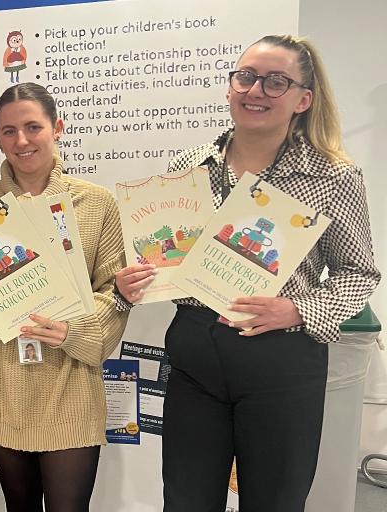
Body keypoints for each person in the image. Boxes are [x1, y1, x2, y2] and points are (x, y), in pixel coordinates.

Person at [115, 35, 380, 512]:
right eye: (246, 77)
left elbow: (358, 272)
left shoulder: (332, 175)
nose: (255, 90)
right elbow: (169, 253)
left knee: (275, 501)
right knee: (185, 499)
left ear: (303, 99)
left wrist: (299, 309)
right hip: (195, 354)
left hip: (282, 358)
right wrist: (140, 277)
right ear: (230, 86)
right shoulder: (189, 167)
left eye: (275, 81)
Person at [0, 82, 128, 511]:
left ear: (57, 127)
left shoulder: (95, 204)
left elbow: (114, 294)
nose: (21, 141)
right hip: (0, 384)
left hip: (70, 386)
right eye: (8, 131)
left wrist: (72, 331)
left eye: (32, 127)